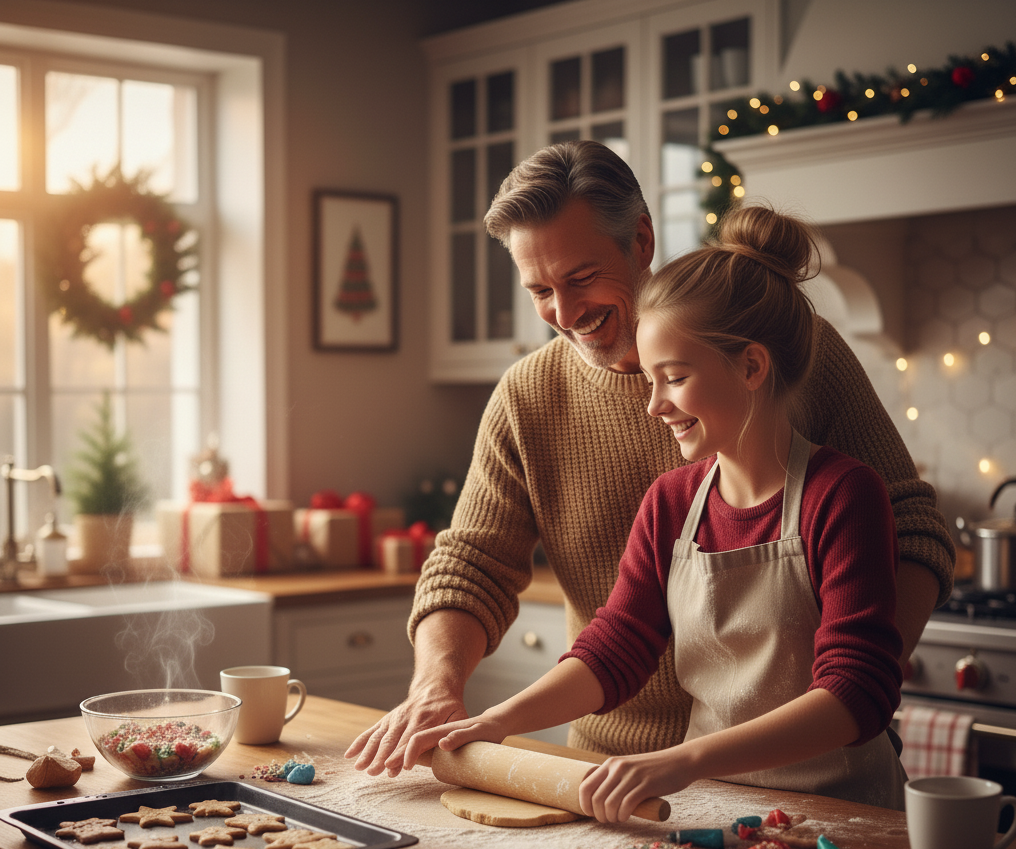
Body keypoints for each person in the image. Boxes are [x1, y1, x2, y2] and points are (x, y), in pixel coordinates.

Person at [346, 141, 954, 777]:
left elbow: (909, 528)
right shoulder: (541, 406)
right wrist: (438, 687)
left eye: (580, 278)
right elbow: (482, 569)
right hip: (617, 769)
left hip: (809, 761)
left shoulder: (787, 352)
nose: (565, 312)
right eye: (539, 291)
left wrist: (856, 685)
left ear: (640, 240)